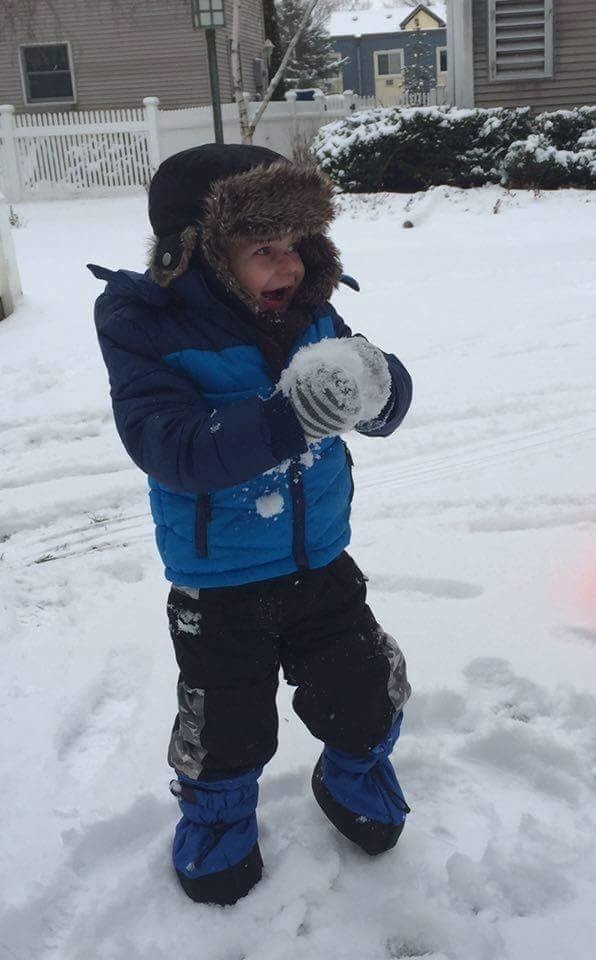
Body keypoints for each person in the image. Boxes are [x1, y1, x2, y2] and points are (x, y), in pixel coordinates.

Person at [89, 144, 413, 906]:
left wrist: (381, 385)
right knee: (225, 725)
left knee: (364, 689)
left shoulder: (312, 307)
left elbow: (373, 383)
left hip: (321, 558)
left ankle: (356, 768)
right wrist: (290, 418)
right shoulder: (148, 324)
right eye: (262, 248)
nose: (288, 266)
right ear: (196, 253)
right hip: (220, 579)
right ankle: (218, 816)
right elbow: (168, 446)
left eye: (296, 244)